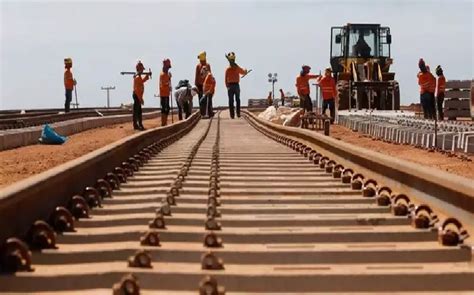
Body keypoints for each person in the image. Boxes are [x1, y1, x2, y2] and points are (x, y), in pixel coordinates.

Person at [225, 52, 248, 119]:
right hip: (235, 85)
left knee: (231, 101)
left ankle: (232, 115)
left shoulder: (228, 69)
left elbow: (225, 79)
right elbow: (243, 72)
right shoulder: (235, 68)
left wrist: (227, 86)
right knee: (237, 100)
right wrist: (245, 71)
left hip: (230, 86)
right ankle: (238, 113)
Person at [133, 61, 151, 130]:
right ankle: (136, 125)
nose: (143, 70)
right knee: (137, 111)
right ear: (139, 69)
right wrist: (140, 98)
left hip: (138, 95)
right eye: (142, 69)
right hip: (137, 95)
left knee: (138, 111)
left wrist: (146, 77)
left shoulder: (138, 77)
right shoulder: (137, 77)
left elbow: (141, 82)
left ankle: (139, 124)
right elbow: (137, 90)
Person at [195, 51, 211, 116]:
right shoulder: (198, 66)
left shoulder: (207, 65)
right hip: (200, 85)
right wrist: (196, 85)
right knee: (201, 99)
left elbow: (210, 74)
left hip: (207, 85)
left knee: (208, 99)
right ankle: (202, 113)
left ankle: (209, 112)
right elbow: (196, 76)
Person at [159, 59, 172, 126]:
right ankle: (163, 123)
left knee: (167, 108)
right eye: (167, 67)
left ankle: (165, 122)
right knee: (164, 109)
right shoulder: (162, 75)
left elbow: (168, 83)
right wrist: (168, 83)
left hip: (167, 94)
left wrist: (169, 79)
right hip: (163, 94)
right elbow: (163, 85)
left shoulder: (167, 74)